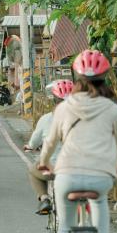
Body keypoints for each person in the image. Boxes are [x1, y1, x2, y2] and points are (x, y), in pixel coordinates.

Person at [38, 50, 117, 233]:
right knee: (100, 201)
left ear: (76, 76)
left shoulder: (64, 108)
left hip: (66, 175)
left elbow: (50, 142)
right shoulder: (113, 110)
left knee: (65, 230)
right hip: (101, 175)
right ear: (104, 77)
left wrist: (43, 161)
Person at [24, 80, 73, 215]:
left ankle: (44, 199)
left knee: (33, 171)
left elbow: (34, 142)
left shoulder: (46, 119)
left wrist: (30, 146)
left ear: (54, 101)